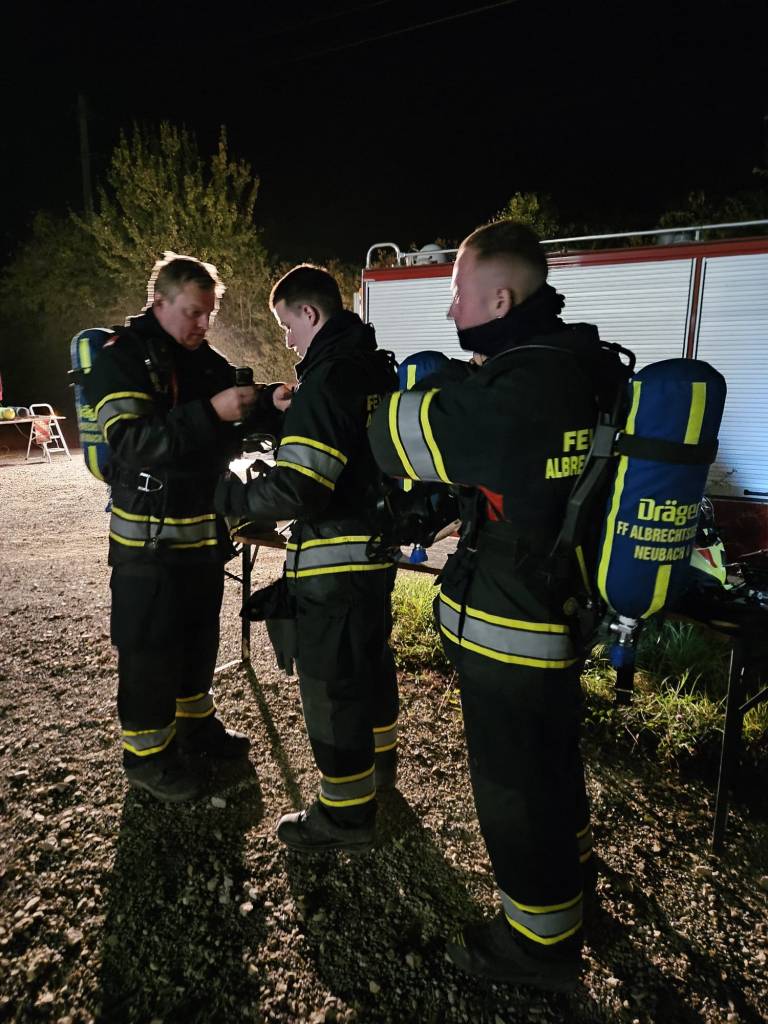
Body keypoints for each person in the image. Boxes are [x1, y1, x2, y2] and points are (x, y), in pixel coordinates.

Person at [367, 221, 620, 992]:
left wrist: (382, 396)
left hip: (513, 622)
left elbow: (397, 441)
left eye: (458, 293)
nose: (451, 310)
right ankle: (574, 886)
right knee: (553, 758)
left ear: (501, 300)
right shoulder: (585, 362)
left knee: (515, 785)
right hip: (562, 601)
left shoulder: (521, 386)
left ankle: (538, 945)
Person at [215, 264, 399, 854]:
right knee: (369, 663)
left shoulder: (327, 378)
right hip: (373, 553)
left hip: (333, 563)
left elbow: (300, 488)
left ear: (310, 314)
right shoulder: (371, 367)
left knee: (331, 684)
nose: (289, 341)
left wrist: (232, 498)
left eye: (287, 326)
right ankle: (380, 770)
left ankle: (345, 816)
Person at [85, 253, 278, 803]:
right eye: (193, 312)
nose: (203, 324)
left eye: (209, 313)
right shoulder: (122, 358)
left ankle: (196, 726)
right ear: (160, 302)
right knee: (149, 648)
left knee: (198, 638)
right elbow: (132, 442)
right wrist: (211, 412)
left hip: (201, 536)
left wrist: (268, 402)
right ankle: (147, 758)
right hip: (147, 543)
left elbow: (231, 417)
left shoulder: (203, 360)